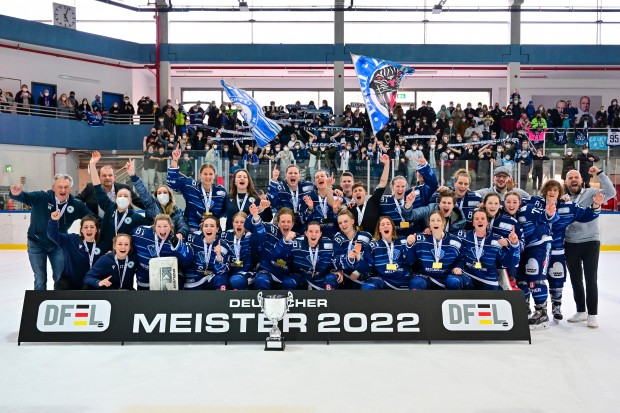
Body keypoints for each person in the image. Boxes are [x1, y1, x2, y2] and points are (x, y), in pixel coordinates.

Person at [524, 180, 603, 322]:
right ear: (544, 191)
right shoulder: (535, 203)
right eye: (549, 190)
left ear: (560, 193)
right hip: (537, 250)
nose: (552, 192)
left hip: (557, 250)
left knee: (557, 278)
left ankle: (557, 306)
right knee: (535, 278)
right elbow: (515, 202)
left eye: (555, 190)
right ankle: (536, 307)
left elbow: (587, 215)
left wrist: (596, 204)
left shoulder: (568, 206)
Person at [9, 174, 91, 290]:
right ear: (53, 187)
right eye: (60, 187)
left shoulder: (76, 204)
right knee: (40, 277)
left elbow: (92, 218)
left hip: (58, 246)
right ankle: (39, 304)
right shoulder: (42, 197)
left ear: (70, 189)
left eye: (66, 187)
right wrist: (16, 193)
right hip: (36, 244)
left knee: (60, 277)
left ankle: (58, 304)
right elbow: (24, 197)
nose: (63, 190)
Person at [564, 166, 616, 328]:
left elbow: (611, 192)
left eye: (576, 177)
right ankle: (581, 311)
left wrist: (599, 174)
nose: (573, 180)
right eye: (570, 178)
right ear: (565, 182)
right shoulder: (563, 198)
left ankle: (592, 314)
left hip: (590, 243)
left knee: (590, 279)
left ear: (581, 180)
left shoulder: (591, 193)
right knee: (575, 280)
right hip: (570, 243)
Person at [88, 152, 150, 253]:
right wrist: (92, 165)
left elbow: (153, 224)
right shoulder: (109, 207)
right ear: (115, 198)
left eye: (125, 196)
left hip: (125, 251)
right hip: (105, 249)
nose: (122, 198)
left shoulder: (135, 217)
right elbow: (97, 188)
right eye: (120, 196)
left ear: (130, 200)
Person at [453, 209, 520, 290]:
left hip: (489, 282)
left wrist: (514, 245)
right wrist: (458, 267)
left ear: (487, 222)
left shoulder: (498, 240)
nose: (479, 221)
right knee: (452, 281)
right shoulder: (463, 236)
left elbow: (510, 263)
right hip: (469, 277)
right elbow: (458, 254)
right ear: (473, 223)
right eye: (476, 219)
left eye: (483, 219)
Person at [126, 159, 189, 240]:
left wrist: (180, 234)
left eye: (165, 192)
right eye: (159, 193)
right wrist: (133, 175)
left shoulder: (177, 211)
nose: (162, 195)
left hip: (169, 241)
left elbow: (183, 225)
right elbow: (143, 190)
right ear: (156, 196)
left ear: (170, 195)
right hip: (151, 240)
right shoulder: (151, 205)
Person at [168, 145, 227, 230]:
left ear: (215, 176)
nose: (208, 177)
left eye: (210, 174)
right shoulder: (191, 186)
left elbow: (225, 210)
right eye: (205, 174)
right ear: (200, 175)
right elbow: (173, 183)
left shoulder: (221, 191)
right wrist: (175, 160)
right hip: (193, 230)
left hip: (213, 232)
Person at [346, 216, 412, 290]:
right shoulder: (373, 245)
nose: (385, 226)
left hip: (402, 280)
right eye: (382, 225)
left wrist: (409, 245)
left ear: (392, 227)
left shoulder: (403, 241)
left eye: (388, 224)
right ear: (379, 229)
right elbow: (367, 267)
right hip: (383, 280)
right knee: (368, 286)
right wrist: (358, 255)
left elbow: (410, 261)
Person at [380, 155, 438, 236]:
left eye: (403, 186)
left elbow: (433, 185)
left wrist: (425, 167)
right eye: (397, 186)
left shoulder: (415, 194)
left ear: (406, 187)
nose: (400, 189)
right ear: (392, 187)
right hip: (394, 236)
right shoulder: (384, 201)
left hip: (414, 234)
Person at [408, 210, 466, 290]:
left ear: (443, 222)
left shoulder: (455, 241)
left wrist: (459, 267)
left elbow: (461, 259)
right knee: (416, 282)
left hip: (446, 277)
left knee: (454, 281)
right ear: (429, 224)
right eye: (432, 220)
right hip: (425, 277)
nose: (435, 223)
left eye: (438, 220)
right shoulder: (420, 239)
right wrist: (409, 245)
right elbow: (409, 261)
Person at [131, 214, 192, 290]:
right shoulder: (139, 233)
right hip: (145, 278)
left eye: (165, 226)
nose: (162, 230)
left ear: (171, 226)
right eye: (159, 226)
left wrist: (178, 247)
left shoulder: (175, 240)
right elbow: (129, 247)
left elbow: (188, 261)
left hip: (167, 278)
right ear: (154, 226)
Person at [275, 221, 341, 290]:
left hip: (321, 280)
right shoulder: (296, 244)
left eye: (316, 232)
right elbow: (281, 258)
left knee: (332, 278)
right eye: (311, 231)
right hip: (303, 280)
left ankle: (329, 300)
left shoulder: (329, 244)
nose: (313, 234)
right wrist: (282, 264)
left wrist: (339, 269)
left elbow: (337, 258)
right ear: (306, 233)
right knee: (289, 282)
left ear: (320, 234)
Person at [47, 213, 102, 290]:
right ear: (82, 230)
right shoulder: (71, 240)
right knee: (61, 285)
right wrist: (53, 221)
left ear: (96, 229)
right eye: (86, 227)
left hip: (89, 283)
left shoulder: (102, 245)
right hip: (70, 282)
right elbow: (53, 235)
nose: (89, 229)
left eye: (92, 227)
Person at [220, 205, 266, 290]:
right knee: (220, 280)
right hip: (229, 271)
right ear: (232, 223)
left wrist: (256, 215)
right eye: (236, 222)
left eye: (242, 222)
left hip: (247, 272)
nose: (239, 224)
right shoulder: (225, 236)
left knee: (236, 280)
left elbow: (261, 237)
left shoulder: (251, 237)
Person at [77, 161, 144, 218]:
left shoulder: (124, 188)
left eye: (110, 175)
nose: (107, 178)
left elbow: (140, 202)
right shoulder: (90, 188)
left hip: (120, 226)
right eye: (104, 175)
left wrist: (152, 207)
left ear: (114, 177)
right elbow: (76, 201)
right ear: (98, 178)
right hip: (97, 226)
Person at [253, 208, 297, 290]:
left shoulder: (297, 239)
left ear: (292, 224)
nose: (286, 224)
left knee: (291, 283)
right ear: (278, 223)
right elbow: (273, 255)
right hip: (267, 270)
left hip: (285, 274)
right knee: (261, 280)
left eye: (288, 222)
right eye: (283, 221)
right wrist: (255, 215)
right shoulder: (270, 230)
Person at [184, 214, 229, 290]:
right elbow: (186, 260)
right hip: (195, 277)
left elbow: (223, 271)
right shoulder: (193, 238)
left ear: (217, 229)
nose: (209, 228)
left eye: (212, 226)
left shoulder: (223, 245)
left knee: (221, 279)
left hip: (211, 277)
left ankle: (221, 300)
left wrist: (219, 257)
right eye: (206, 226)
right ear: (202, 228)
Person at [332, 210, 373, 289]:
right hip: (345, 277)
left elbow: (370, 260)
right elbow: (336, 260)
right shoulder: (338, 239)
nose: (343, 225)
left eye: (346, 221)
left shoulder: (365, 236)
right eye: (340, 223)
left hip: (364, 278)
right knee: (330, 279)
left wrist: (358, 271)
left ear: (352, 221)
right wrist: (347, 258)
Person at [268, 164, 314, 232]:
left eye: (295, 173)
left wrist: (331, 189)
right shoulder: (279, 187)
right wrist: (274, 180)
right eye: (290, 173)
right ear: (286, 175)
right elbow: (273, 203)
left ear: (299, 176)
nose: (293, 175)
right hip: (285, 224)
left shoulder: (308, 186)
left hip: (303, 225)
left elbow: (320, 191)